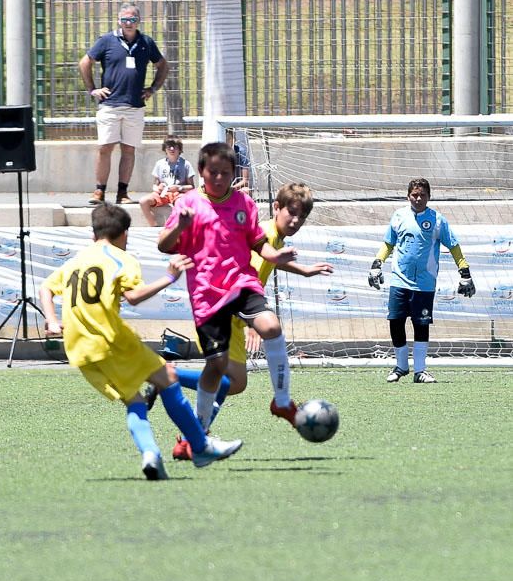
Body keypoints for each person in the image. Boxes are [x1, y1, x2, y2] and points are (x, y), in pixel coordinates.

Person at [39, 203, 242, 481]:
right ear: (124, 234)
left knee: (134, 400)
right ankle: (201, 446)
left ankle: (150, 454)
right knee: (168, 378)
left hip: (78, 348)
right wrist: (169, 277)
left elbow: (46, 287)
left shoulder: (75, 261)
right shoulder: (121, 258)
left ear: (93, 233)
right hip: (110, 338)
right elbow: (133, 296)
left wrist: (51, 320)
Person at [171, 182, 334, 461]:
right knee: (231, 381)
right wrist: (253, 323)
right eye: (291, 213)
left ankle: (191, 436)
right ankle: (172, 382)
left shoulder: (273, 235)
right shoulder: (269, 233)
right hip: (231, 314)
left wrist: (303, 270)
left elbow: (267, 258)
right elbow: (247, 280)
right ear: (277, 208)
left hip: (232, 313)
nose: (295, 221)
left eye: (302, 217)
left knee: (232, 383)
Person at [157, 142, 301, 442]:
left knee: (271, 326)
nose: (219, 178)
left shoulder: (244, 204)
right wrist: (179, 228)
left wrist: (274, 257)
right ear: (201, 172)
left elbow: (257, 242)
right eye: (213, 173)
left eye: (225, 173)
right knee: (219, 369)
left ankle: (283, 401)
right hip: (208, 295)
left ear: (234, 173)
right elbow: (164, 245)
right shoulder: (188, 204)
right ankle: (197, 433)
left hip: (241, 284)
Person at [368, 177, 476, 384]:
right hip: (399, 281)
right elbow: (388, 244)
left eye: (422, 195)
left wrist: (464, 271)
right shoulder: (399, 216)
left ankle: (420, 371)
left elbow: (453, 246)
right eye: (414, 195)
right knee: (395, 322)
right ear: (408, 196)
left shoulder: (437, 220)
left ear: (429, 196)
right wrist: (377, 263)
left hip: (425, 284)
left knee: (421, 325)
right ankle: (400, 366)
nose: (418, 199)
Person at [79, 3, 169, 205]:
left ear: (138, 21)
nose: (129, 24)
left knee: (129, 149)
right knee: (105, 147)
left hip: (135, 106)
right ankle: (99, 191)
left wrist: (152, 88)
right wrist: (93, 89)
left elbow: (162, 65)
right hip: (110, 104)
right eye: (125, 20)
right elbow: (85, 63)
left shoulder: (146, 42)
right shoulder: (107, 41)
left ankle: (122, 192)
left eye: (133, 20)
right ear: (119, 21)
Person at [139, 137, 195, 227]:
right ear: (165, 149)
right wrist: (158, 188)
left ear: (179, 149)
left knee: (181, 203)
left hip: (178, 193)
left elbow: (192, 187)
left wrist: (179, 188)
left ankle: (177, 228)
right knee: (143, 201)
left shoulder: (186, 164)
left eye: (175, 147)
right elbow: (155, 185)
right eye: (169, 146)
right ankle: (154, 226)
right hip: (163, 193)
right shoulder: (159, 164)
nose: (172, 149)